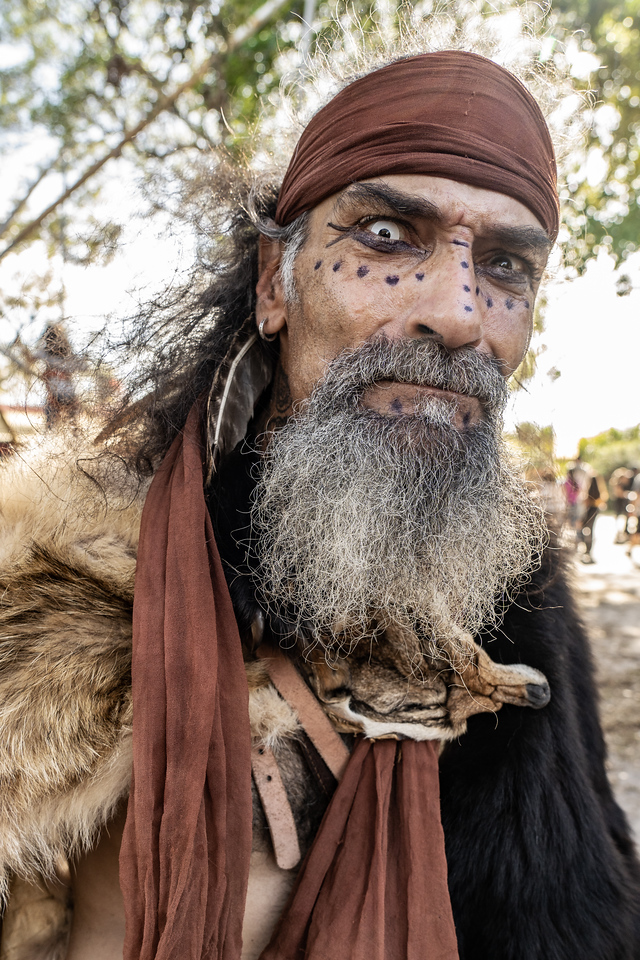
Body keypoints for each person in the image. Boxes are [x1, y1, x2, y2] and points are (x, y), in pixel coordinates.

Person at [0, 50, 639, 960]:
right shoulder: (66, 588)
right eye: (386, 235)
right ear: (276, 281)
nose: (460, 314)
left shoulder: (516, 594)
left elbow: (583, 906)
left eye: (504, 265)